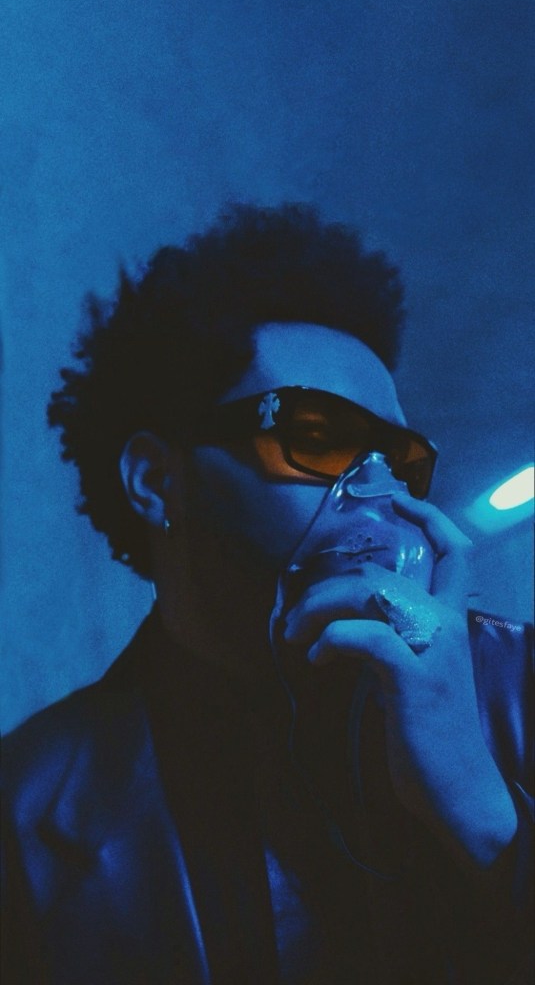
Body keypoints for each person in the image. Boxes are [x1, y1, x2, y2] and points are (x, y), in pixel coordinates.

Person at [2, 203, 532, 985]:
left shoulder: (520, 686)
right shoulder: (24, 810)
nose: (377, 492)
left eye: (397, 458)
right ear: (155, 480)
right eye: (316, 438)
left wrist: (479, 808)